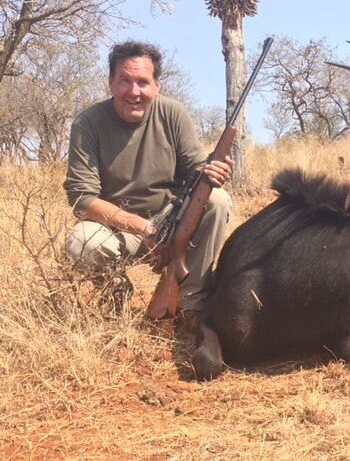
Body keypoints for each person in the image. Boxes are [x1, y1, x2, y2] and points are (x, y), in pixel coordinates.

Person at [63, 41, 233, 327]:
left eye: (143, 82)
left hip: (172, 222)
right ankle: (115, 296)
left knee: (217, 200)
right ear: (110, 84)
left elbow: (197, 170)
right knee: (81, 242)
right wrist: (145, 229)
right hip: (118, 229)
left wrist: (214, 171)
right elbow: (82, 200)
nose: (134, 92)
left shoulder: (172, 112)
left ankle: (191, 303)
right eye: (124, 81)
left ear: (157, 85)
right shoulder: (88, 123)